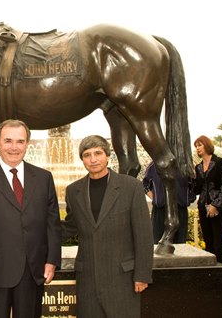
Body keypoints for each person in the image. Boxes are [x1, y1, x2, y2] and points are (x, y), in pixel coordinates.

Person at [0, 119, 62, 318]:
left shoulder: (44, 178)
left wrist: (51, 260)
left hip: (32, 271)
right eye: (8, 141)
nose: (14, 147)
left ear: (27, 144)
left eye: (20, 141)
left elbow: (52, 224)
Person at [61, 135, 153, 318]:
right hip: (88, 279)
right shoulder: (73, 190)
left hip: (122, 278)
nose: (93, 159)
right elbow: (71, 227)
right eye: (87, 155)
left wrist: (142, 274)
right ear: (82, 159)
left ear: (107, 156)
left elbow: (143, 234)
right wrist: (34, 229)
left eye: (98, 153)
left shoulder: (131, 187)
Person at [193, 135, 222, 265]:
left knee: (219, 244)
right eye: (196, 146)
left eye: (200, 145)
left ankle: (221, 275)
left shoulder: (220, 162)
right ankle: (211, 276)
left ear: (207, 145)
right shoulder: (198, 167)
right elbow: (197, 190)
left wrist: (215, 205)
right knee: (208, 243)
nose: (197, 148)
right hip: (203, 208)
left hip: (219, 209)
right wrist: (192, 178)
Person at [143, 161, 195, 244]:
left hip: (180, 209)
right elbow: (145, 185)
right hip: (160, 210)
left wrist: (186, 198)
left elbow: (193, 186)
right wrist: (156, 198)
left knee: (180, 245)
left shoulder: (184, 164)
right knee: (157, 243)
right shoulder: (154, 165)